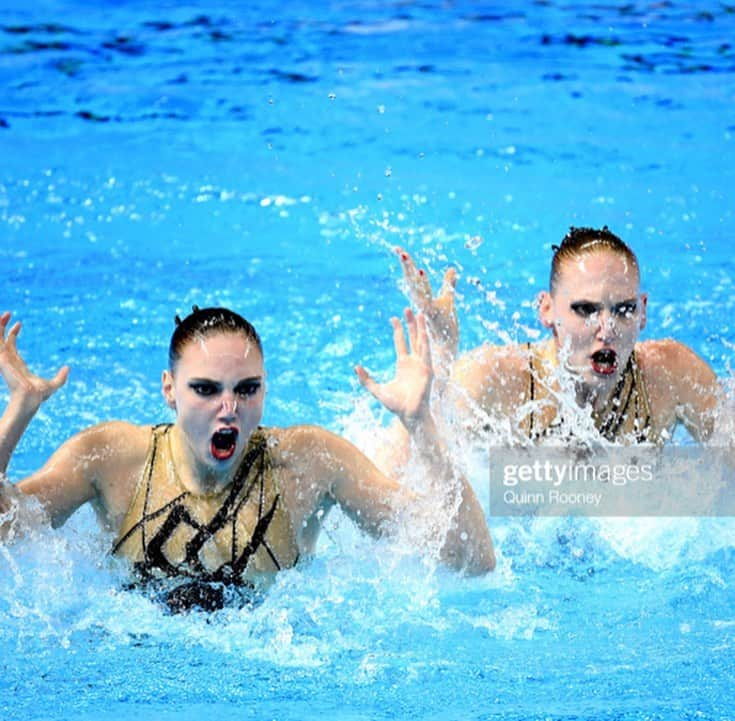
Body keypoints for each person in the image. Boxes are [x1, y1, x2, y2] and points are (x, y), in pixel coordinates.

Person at [0, 307, 495, 611]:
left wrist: (420, 426)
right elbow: (9, 533)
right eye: (206, 390)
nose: (229, 409)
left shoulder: (307, 464)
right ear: (169, 390)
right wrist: (17, 412)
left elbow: (470, 559)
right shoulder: (111, 458)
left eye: (247, 389)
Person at [378, 227, 719, 471]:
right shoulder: (494, 381)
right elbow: (394, 488)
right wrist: (442, 357)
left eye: (623, 309)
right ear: (547, 310)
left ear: (643, 311)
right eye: (585, 310)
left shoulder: (671, 377)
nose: (607, 329)